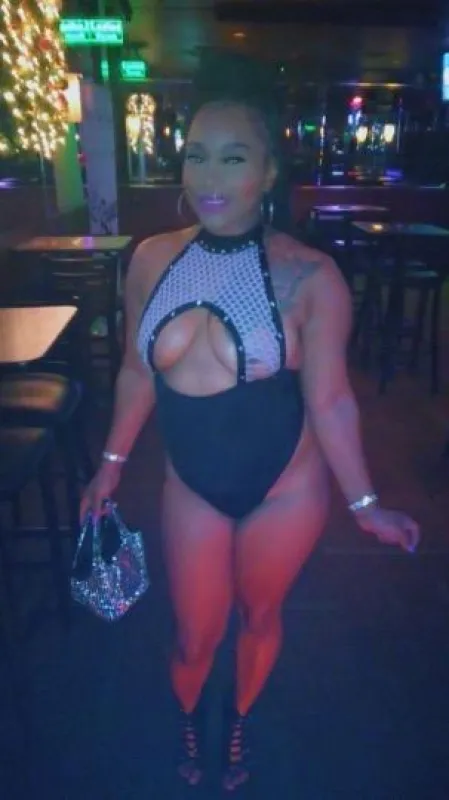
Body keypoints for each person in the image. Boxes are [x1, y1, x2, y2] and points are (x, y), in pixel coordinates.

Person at [81, 52, 420, 792]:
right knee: (194, 634)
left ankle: (236, 719)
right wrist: (109, 465)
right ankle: (189, 714)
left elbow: (331, 401)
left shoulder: (310, 275)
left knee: (259, 617)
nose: (209, 176)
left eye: (232, 158)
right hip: (192, 485)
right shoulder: (150, 260)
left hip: (284, 489)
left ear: (267, 174)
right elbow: (137, 370)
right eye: (196, 155)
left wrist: (366, 506)